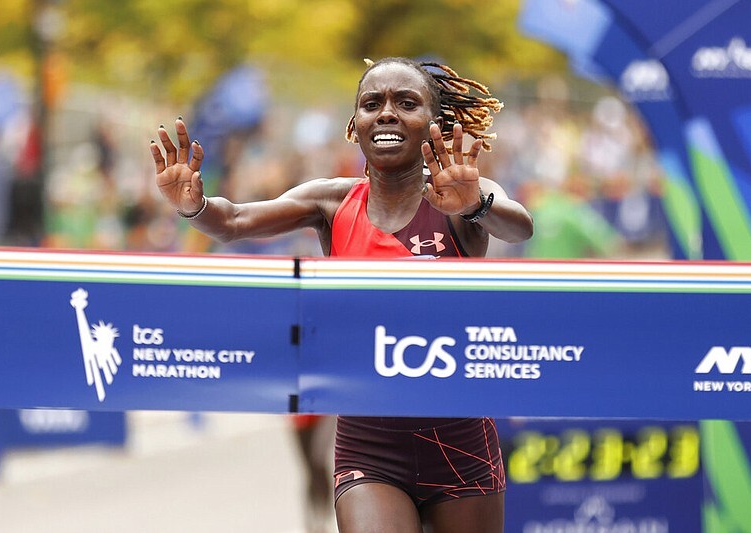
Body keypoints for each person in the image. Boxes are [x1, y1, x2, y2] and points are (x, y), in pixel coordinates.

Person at [151, 56, 533, 533]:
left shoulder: (462, 194)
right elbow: (233, 221)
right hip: (369, 449)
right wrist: (195, 207)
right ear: (356, 124)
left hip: (459, 441)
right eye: (372, 104)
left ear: (434, 122)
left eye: (406, 103)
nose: (387, 113)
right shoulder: (331, 201)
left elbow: (519, 227)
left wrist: (476, 204)